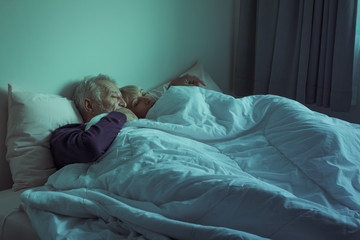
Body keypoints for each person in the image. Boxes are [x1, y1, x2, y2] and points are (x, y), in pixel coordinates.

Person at [50, 74, 138, 169]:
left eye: (122, 98)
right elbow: (90, 146)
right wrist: (120, 116)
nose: (124, 104)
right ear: (89, 105)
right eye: (114, 96)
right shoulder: (66, 133)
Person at [120, 74, 205, 118]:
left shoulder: (168, 94)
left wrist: (176, 88)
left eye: (144, 93)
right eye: (137, 103)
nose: (146, 99)